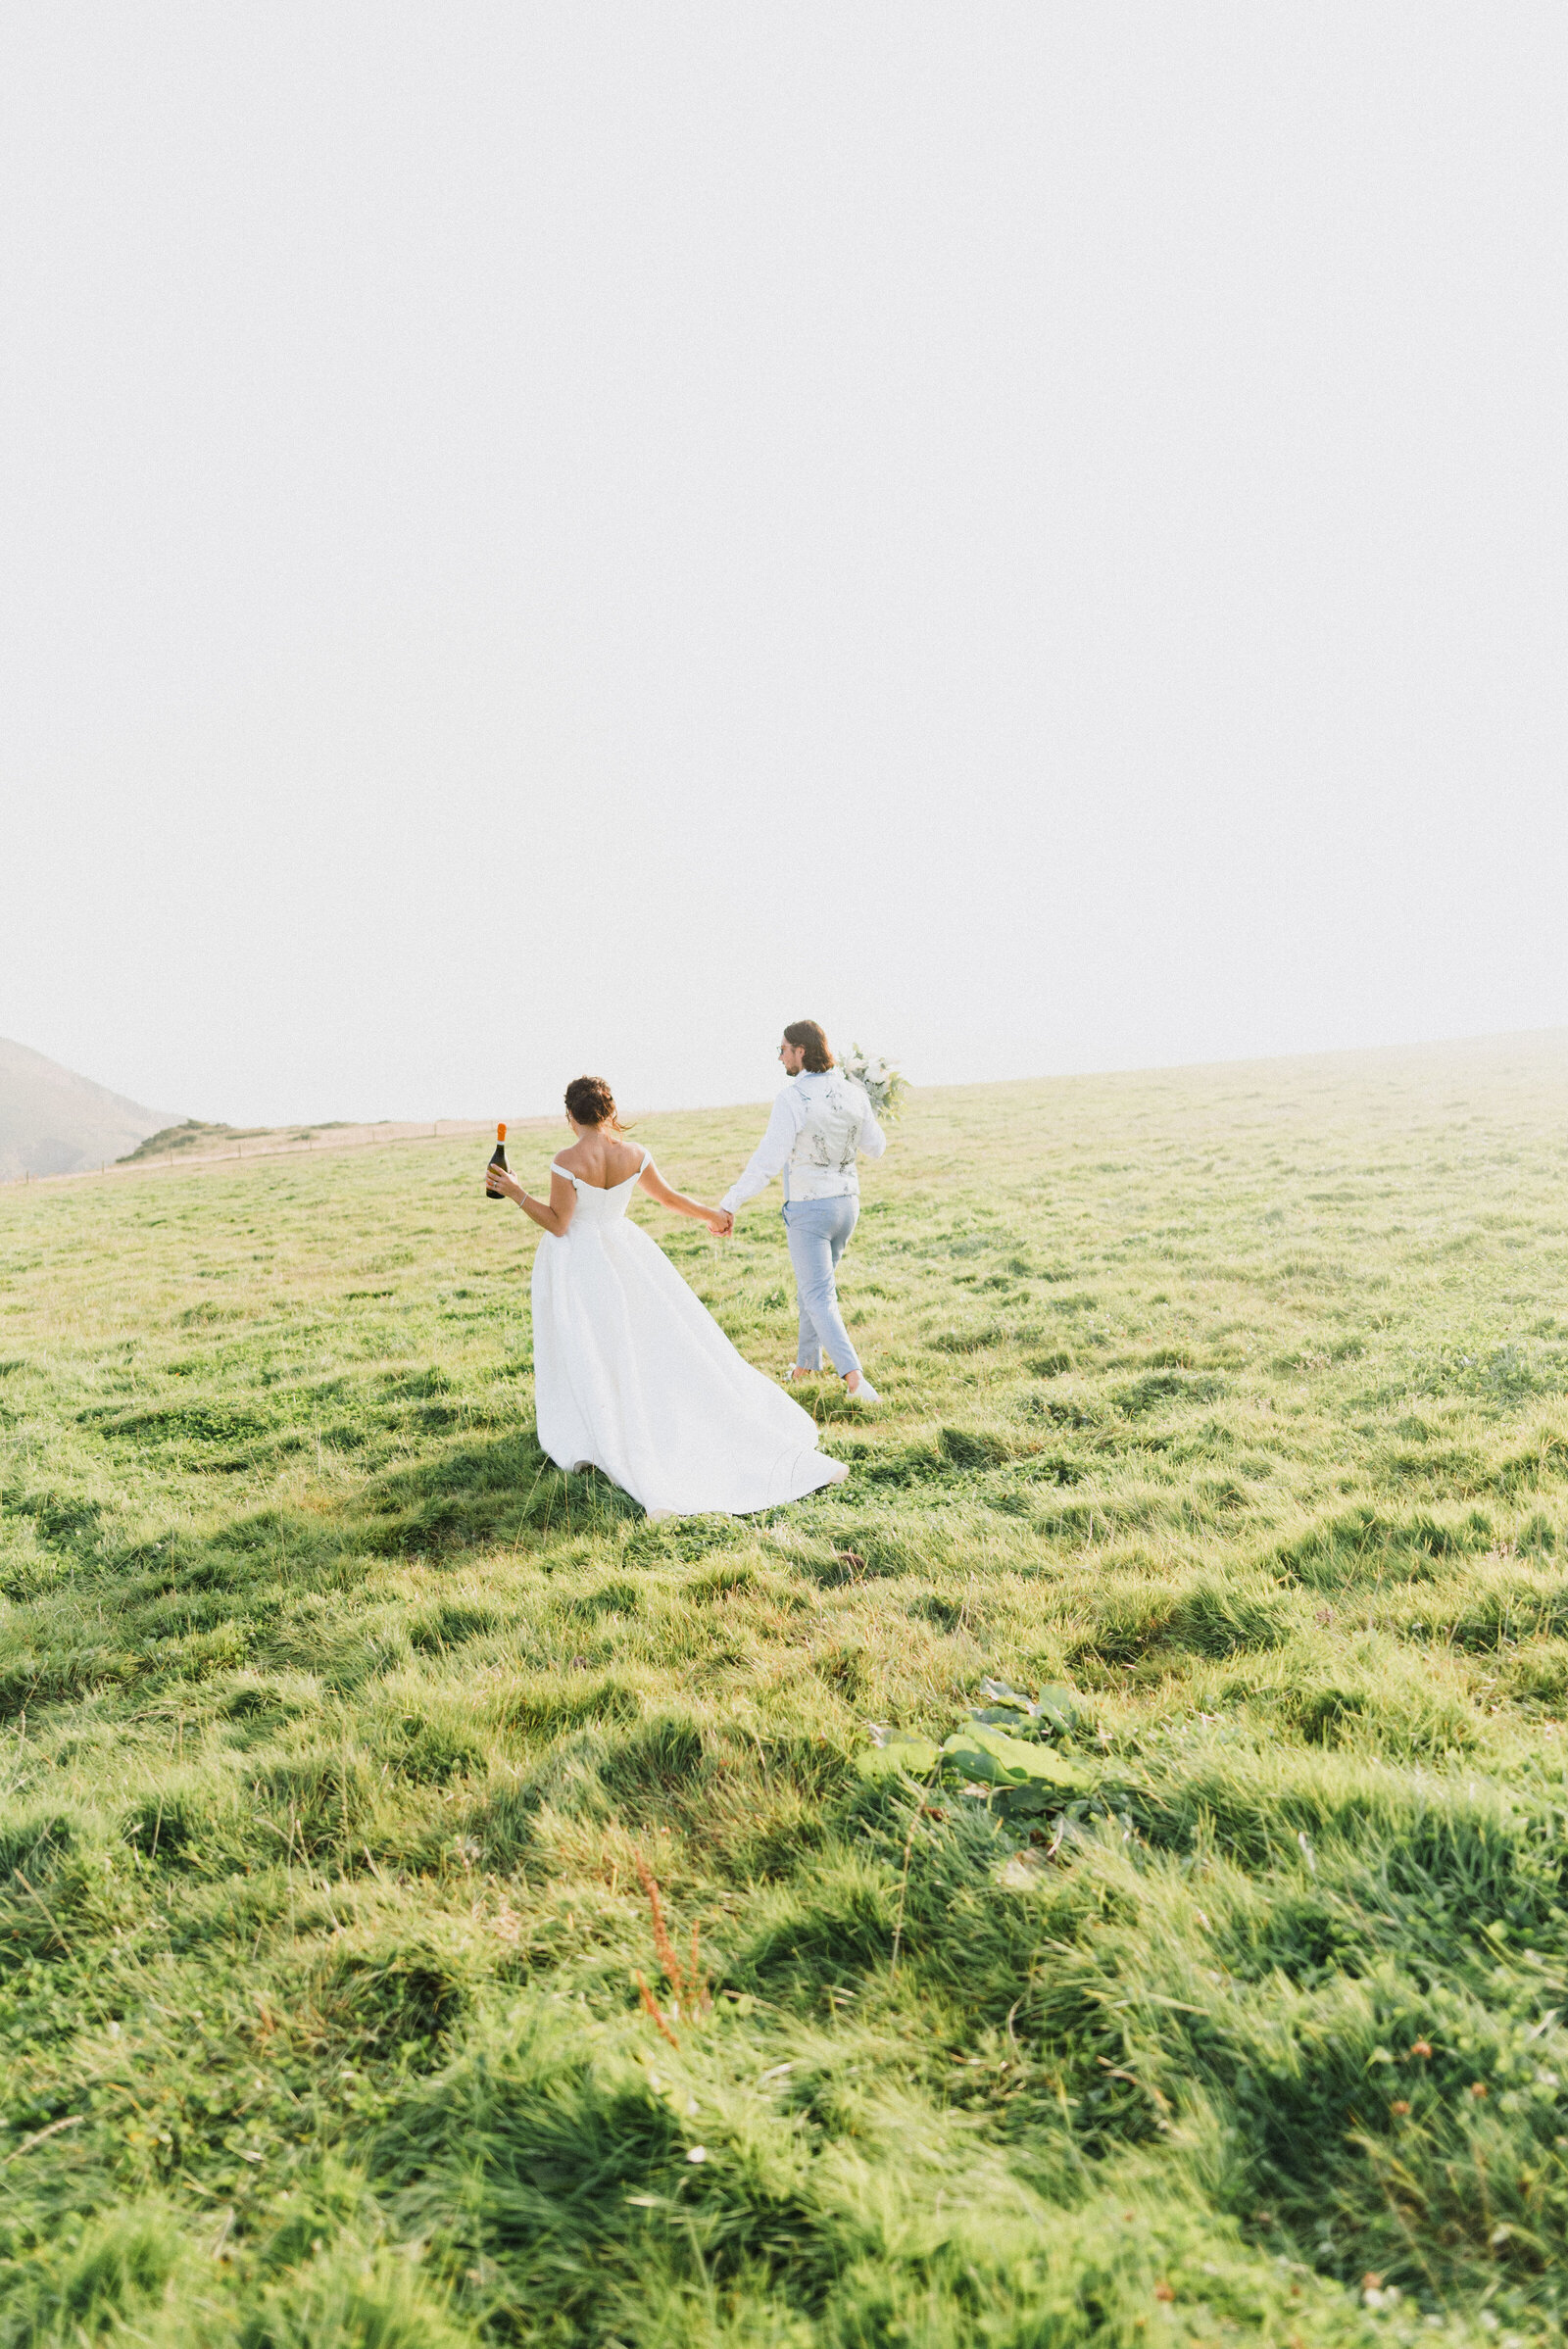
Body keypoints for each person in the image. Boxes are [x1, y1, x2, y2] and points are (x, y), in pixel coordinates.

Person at [486, 1074, 849, 1518]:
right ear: (610, 1111)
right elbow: (671, 1199)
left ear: (569, 1115)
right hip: (625, 1252)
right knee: (639, 1344)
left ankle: (599, 1426)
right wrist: (713, 1215)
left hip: (579, 1263)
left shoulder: (566, 1160)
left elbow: (560, 1223)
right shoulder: (635, 1154)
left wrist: (515, 1192)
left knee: (590, 1346)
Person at [716, 1020, 886, 1402]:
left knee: (819, 1296)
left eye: (782, 1049)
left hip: (810, 1210)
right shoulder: (854, 1094)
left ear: (801, 1051)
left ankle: (857, 1381)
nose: (779, 1057)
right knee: (814, 1289)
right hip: (847, 1205)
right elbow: (877, 1148)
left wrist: (730, 1203)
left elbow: (767, 1160)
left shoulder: (792, 1099)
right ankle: (806, 1365)